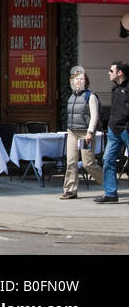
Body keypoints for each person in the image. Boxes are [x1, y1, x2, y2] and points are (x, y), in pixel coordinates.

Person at [61, 65, 102, 199]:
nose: (78, 81)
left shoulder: (90, 96)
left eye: (81, 79)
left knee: (88, 163)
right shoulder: (71, 97)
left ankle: (109, 184)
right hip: (72, 132)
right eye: (75, 79)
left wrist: (90, 132)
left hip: (85, 133)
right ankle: (70, 190)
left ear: (86, 81)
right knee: (71, 162)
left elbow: (94, 116)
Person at [96, 61, 129, 204]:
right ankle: (110, 193)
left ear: (119, 72)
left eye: (111, 70)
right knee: (108, 159)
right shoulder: (114, 89)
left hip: (126, 130)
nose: (109, 73)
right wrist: (109, 125)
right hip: (113, 131)